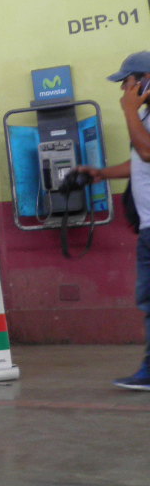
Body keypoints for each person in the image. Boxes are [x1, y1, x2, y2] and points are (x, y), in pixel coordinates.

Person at [77, 51, 150, 390]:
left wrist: (129, 111)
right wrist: (101, 174)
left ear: (145, 80)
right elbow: (140, 160)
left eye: (127, 82)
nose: (123, 90)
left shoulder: (139, 115)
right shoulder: (145, 118)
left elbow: (148, 151)